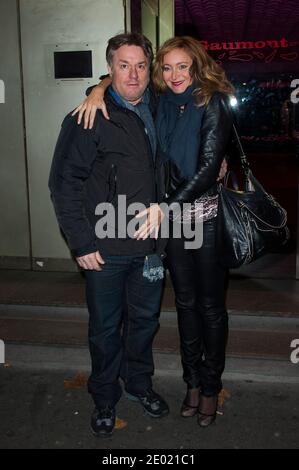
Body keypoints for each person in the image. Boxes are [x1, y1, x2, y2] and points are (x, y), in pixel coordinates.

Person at [73, 35, 233, 428]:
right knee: (183, 305)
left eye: (183, 66)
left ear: (196, 66)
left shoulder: (210, 101)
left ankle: (210, 386)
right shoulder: (162, 104)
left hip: (203, 221)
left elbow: (209, 167)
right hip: (169, 225)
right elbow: (126, 79)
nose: (174, 74)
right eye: (167, 67)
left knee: (210, 308)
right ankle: (191, 383)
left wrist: (166, 205)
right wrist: (97, 90)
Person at [48, 33, 170, 438]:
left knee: (145, 323)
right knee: (104, 328)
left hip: (152, 248)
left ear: (149, 68)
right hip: (106, 247)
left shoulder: (161, 108)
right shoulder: (87, 116)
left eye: (140, 65)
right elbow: (63, 183)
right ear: (110, 67)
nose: (132, 74)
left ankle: (139, 385)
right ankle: (103, 397)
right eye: (123, 65)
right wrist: (80, 242)